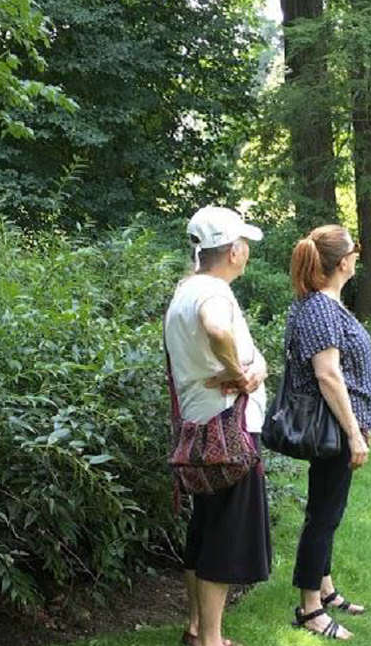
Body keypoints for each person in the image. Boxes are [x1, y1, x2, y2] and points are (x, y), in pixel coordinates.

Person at [164, 207, 271, 646]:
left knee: (205, 531)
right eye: (243, 245)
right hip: (228, 433)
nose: (245, 252)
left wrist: (253, 366)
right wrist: (240, 371)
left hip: (204, 428)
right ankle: (211, 640)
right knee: (224, 537)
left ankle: (195, 630)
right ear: (232, 250)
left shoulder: (187, 289)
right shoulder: (212, 294)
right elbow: (217, 329)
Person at [285, 225, 371, 640]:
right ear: (343, 262)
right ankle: (309, 610)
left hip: (340, 426)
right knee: (323, 517)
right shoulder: (321, 308)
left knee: (328, 511)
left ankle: (324, 589)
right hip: (333, 429)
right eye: (355, 252)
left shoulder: (320, 304)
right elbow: (328, 375)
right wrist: (354, 434)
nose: (357, 258)